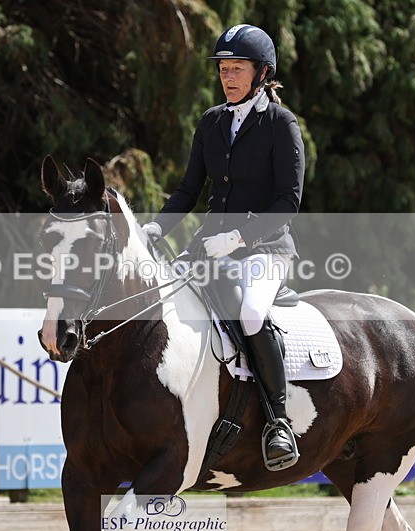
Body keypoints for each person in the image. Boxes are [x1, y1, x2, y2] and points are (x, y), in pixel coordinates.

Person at [142, 24, 305, 471]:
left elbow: (287, 203)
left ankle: (279, 422)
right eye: (223, 69)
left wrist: (237, 238)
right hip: (207, 250)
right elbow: (188, 190)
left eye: (237, 69)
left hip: (266, 251)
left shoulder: (281, 125)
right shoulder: (212, 122)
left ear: (262, 72)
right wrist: (154, 230)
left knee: (251, 314)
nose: (228, 77)